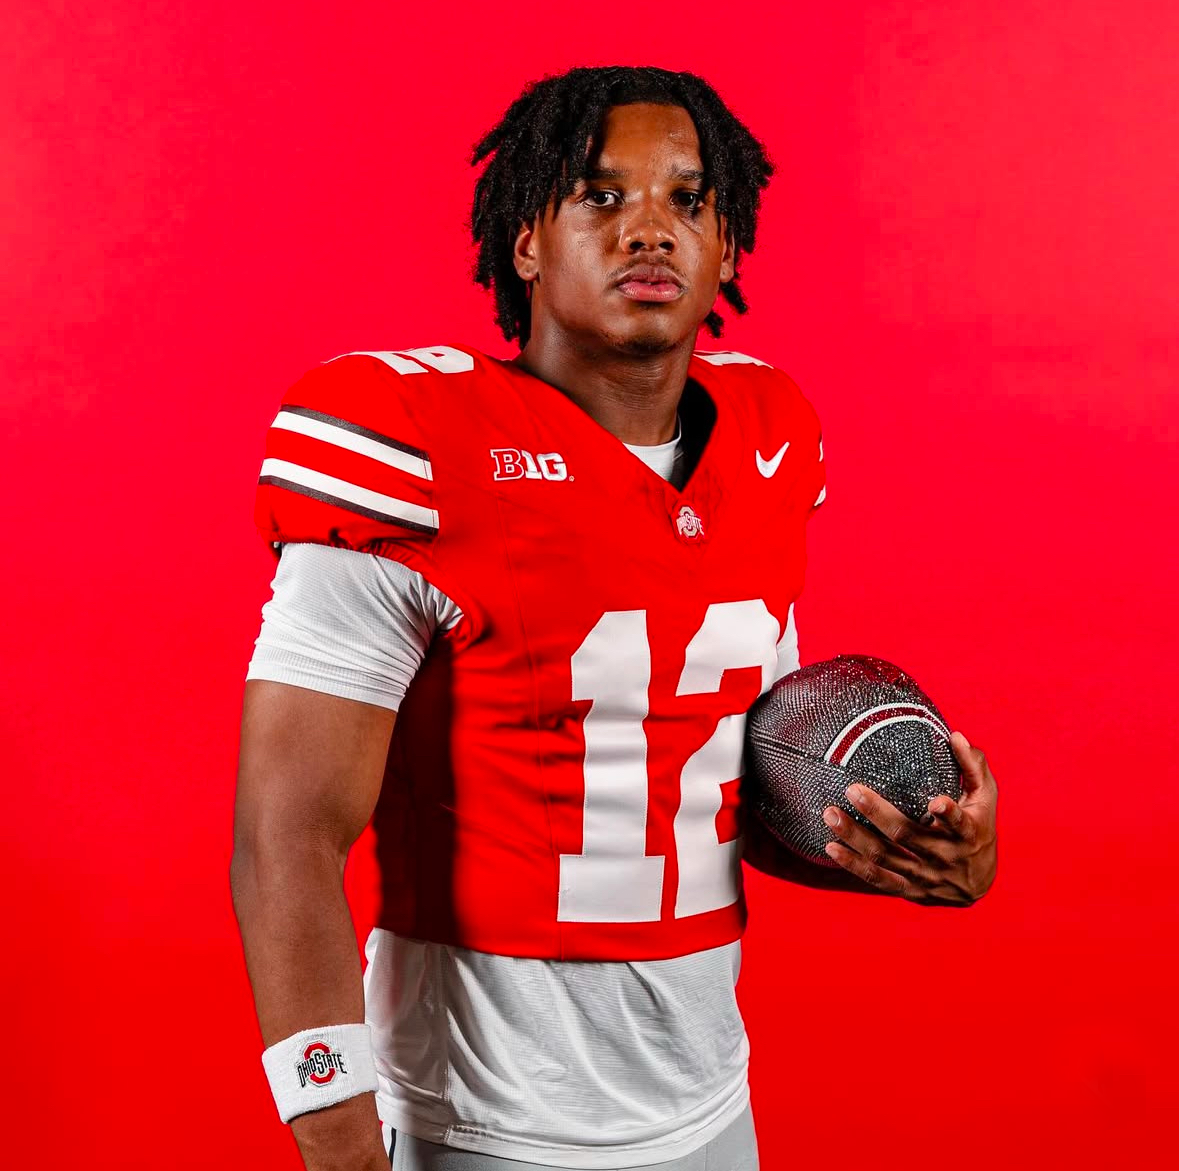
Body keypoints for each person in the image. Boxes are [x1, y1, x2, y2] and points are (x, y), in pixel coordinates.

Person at [231, 65, 999, 1171]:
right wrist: (340, 1141)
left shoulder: (772, 441)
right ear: (526, 241)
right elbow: (285, 834)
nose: (649, 228)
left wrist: (911, 851)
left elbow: (721, 793)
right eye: (600, 195)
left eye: (688, 199)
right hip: (475, 1124)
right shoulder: (412, 448)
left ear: (726, 246)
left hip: (710, 1105)